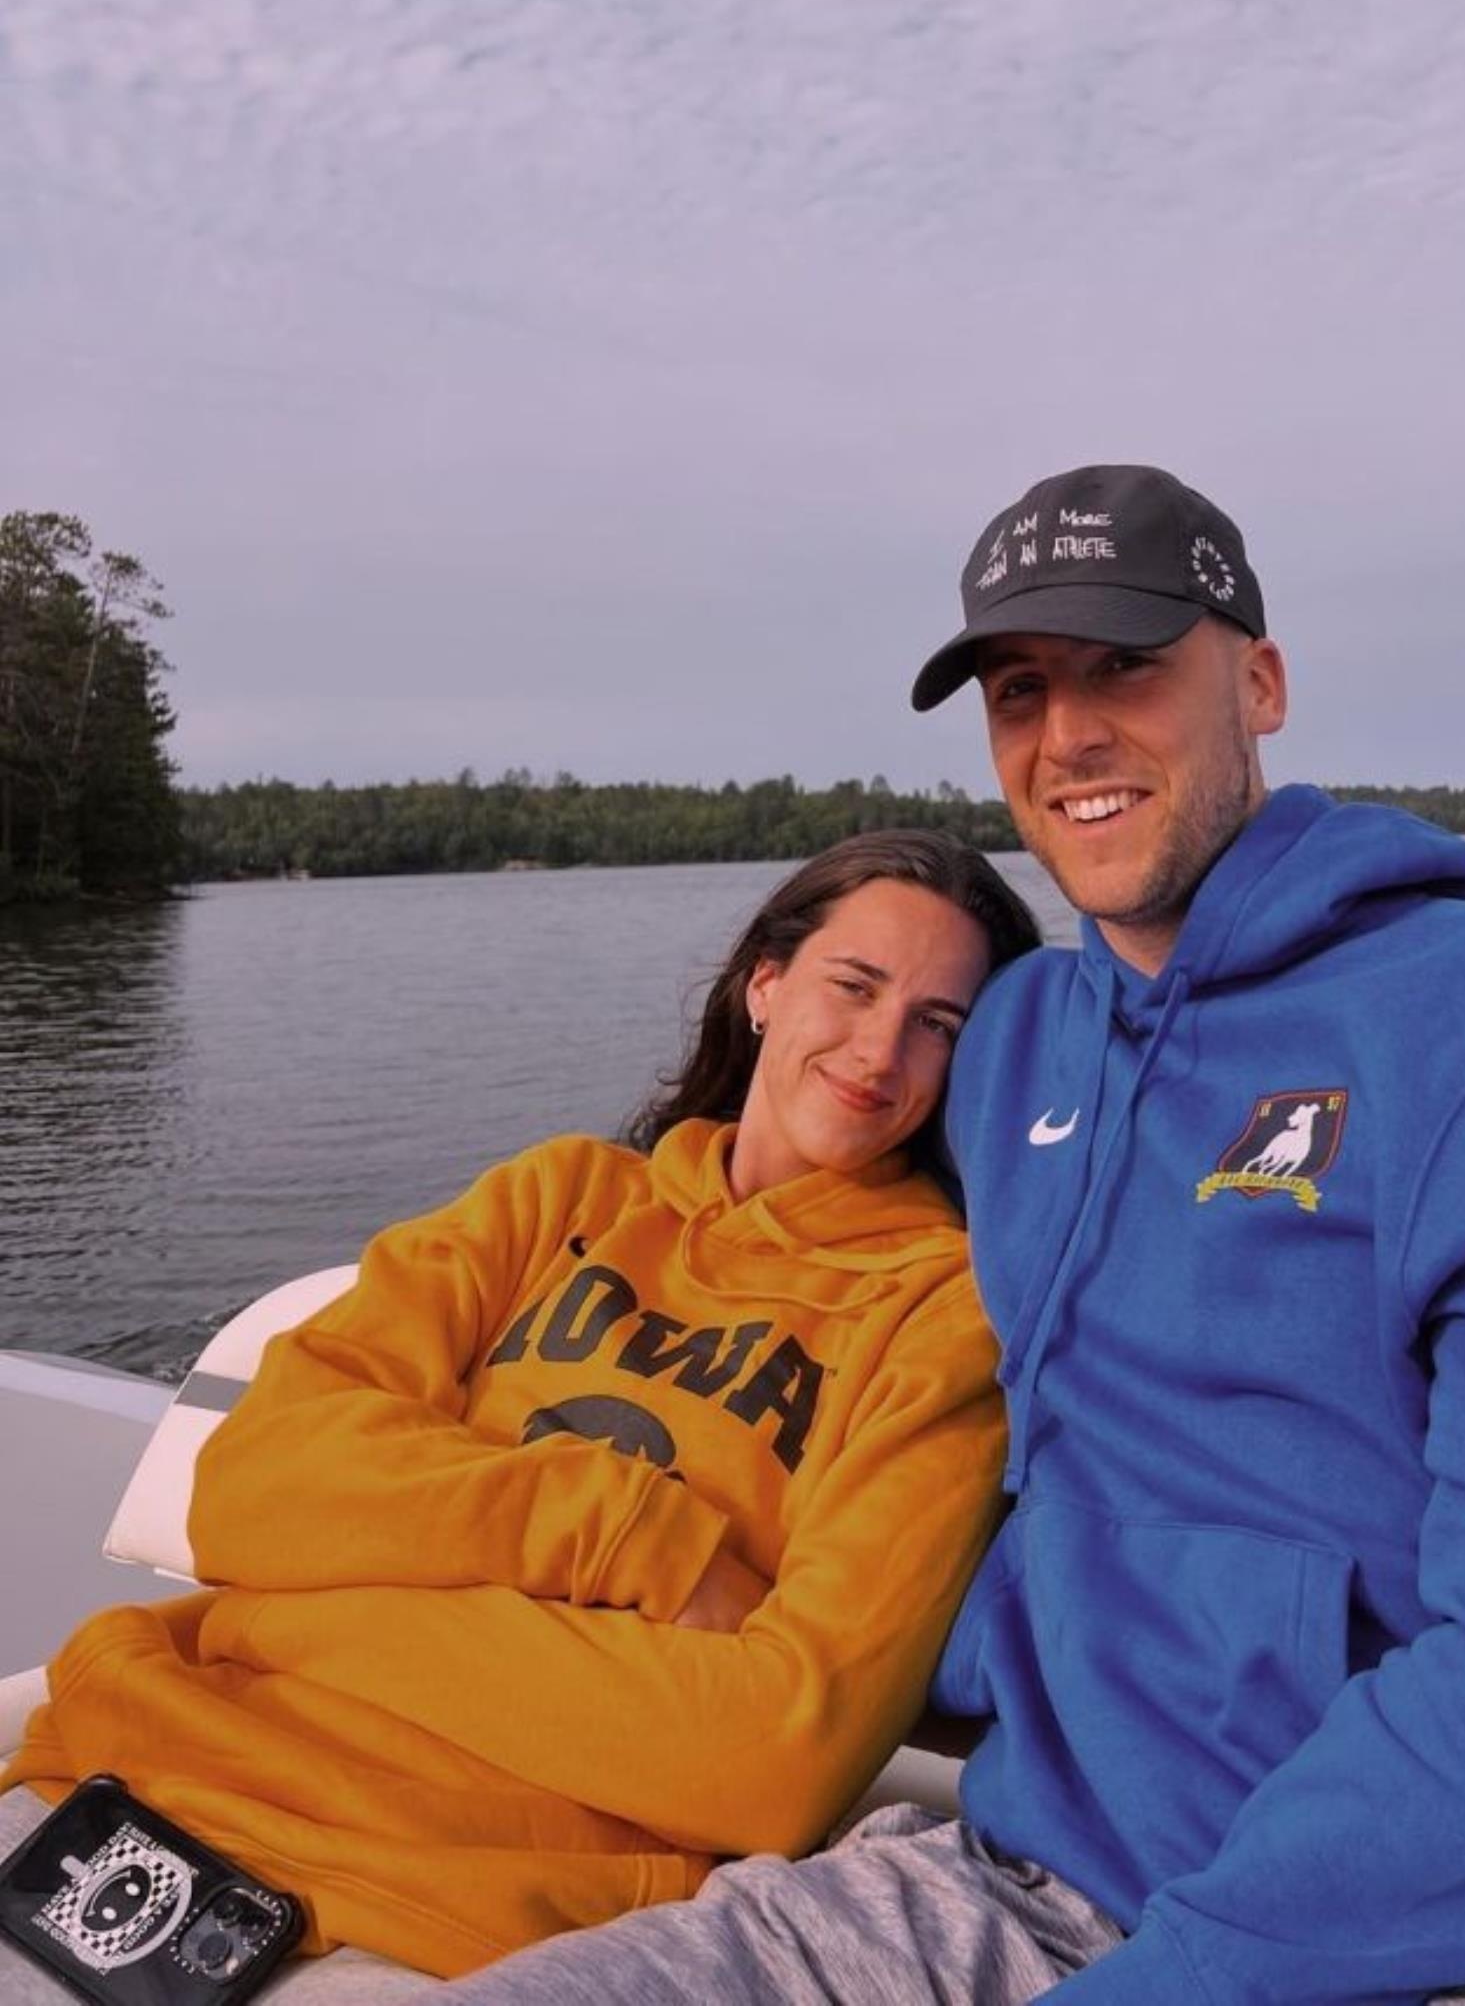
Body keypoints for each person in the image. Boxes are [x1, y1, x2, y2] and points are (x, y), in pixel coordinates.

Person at [435, 464, 1465, 2006]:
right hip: (1040, 1874)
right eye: (1020, 690)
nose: (1068, 736)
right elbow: (828, 1241)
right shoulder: (1023, 1039)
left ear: (1261, 680)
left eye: (1126, 667)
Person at [0, 830, 1041, 1995]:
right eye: (855, 985)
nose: (881, 1048)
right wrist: (636, 1538)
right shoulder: (559, 1198)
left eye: (939, 1024)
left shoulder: (939, 1317)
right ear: (764, 984)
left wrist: (306, 1601)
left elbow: (774, 1758)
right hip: (136, 1765)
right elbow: (248, 1479)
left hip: (465, 1918)